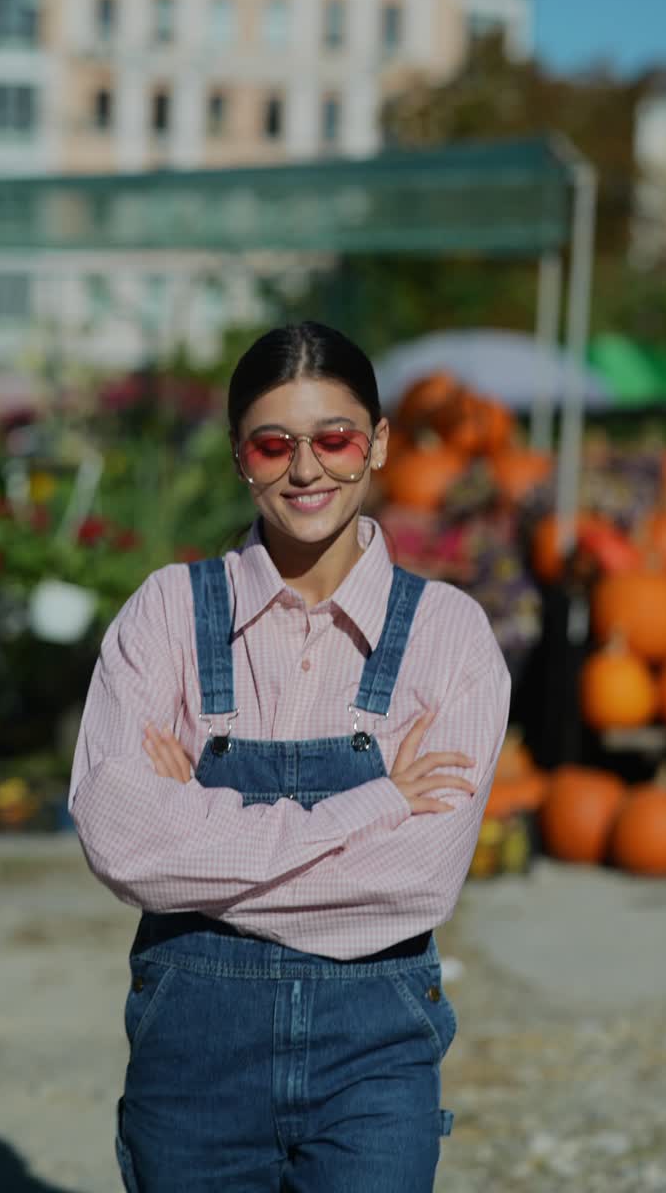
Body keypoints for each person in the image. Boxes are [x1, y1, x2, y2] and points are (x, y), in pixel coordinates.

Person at [69, 320, 511, 1193]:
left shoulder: (447, 636)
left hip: (372, 1067)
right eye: (274, 444)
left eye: (334, 438)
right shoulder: (164, 614)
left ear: (378, 443)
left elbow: (415, 883)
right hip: (194, 1064)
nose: (305, 470)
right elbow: (121, 842)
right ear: (241, 456)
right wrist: (373, 803)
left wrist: (195, 830)